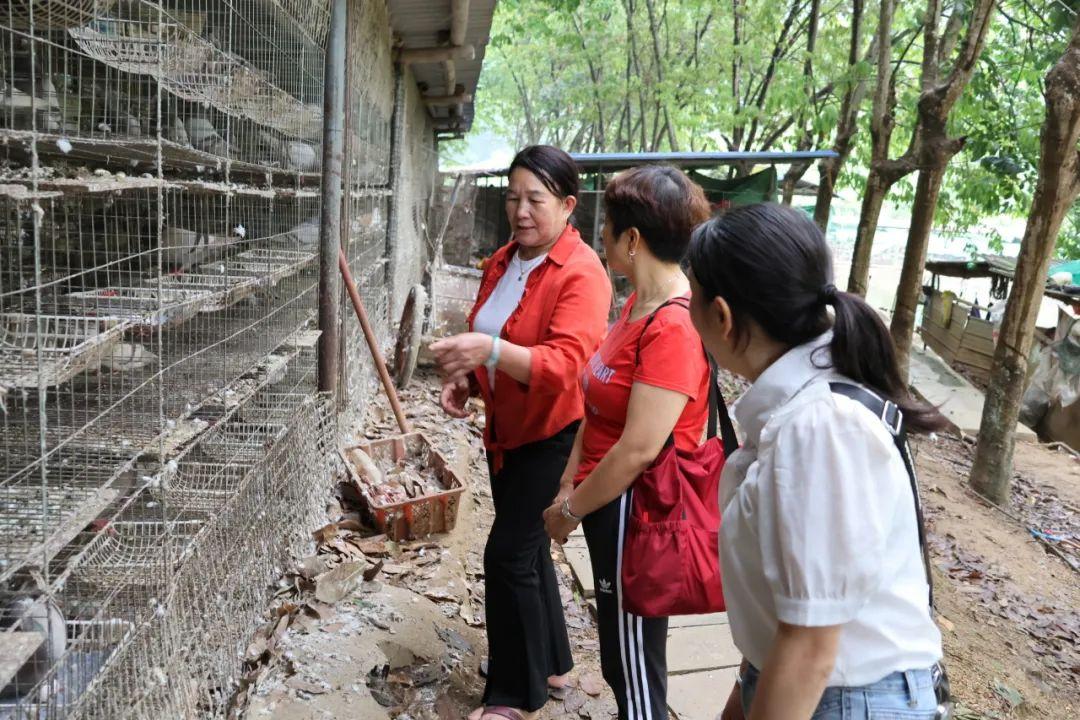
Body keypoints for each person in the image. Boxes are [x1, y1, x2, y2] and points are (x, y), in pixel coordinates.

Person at [683, 203, 949, 720]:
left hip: (848, 700)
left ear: (722, 315)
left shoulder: (820, 427)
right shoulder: (798, 412)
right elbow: (789, 604)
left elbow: (810, 648)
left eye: (690, 295)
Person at [430, 145, 611, 720]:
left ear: (567, 204)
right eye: (512, 197)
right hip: (505, 430)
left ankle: (514, 694)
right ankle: (552, 664)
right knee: (528, 554)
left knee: (507, 554)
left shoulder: (582, 275)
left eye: (535, 199)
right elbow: (490, 332)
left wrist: (489, 351)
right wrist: (472, 381)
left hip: (552, 434)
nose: (521, 210)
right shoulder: (505, 260)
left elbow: (564, 365)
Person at [542, 165, 712, 720]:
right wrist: (570, 476)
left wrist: (568, 508)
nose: (601, 238)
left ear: (632, 240)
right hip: (603, 502)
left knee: (634, 663)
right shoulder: (634, 304)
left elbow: (638, 450)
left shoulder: (673, 327)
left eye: (608, 227)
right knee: (621, 651)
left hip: (635, 516)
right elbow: (597, 404)